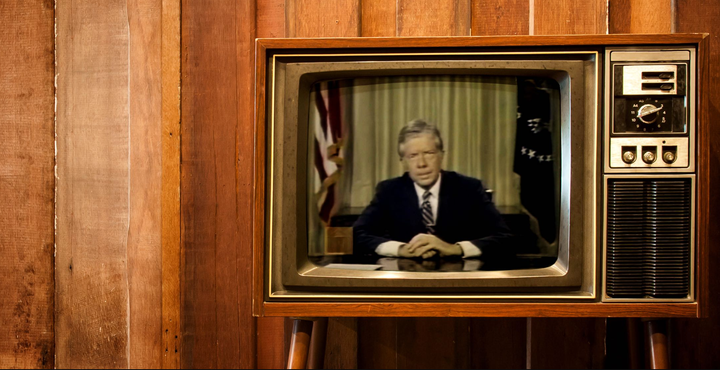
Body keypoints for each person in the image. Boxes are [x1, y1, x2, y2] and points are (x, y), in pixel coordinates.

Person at [353, 119, 514, 261]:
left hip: (459, 281)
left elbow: (505, 238)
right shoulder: (389, 191)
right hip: (406, 281)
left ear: (441, 155)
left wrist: (455, 249)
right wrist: (401, 249)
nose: (421, 163)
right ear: (403, 161)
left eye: (429, 153)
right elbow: (357, 234)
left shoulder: (469, 188)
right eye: (413, 156)